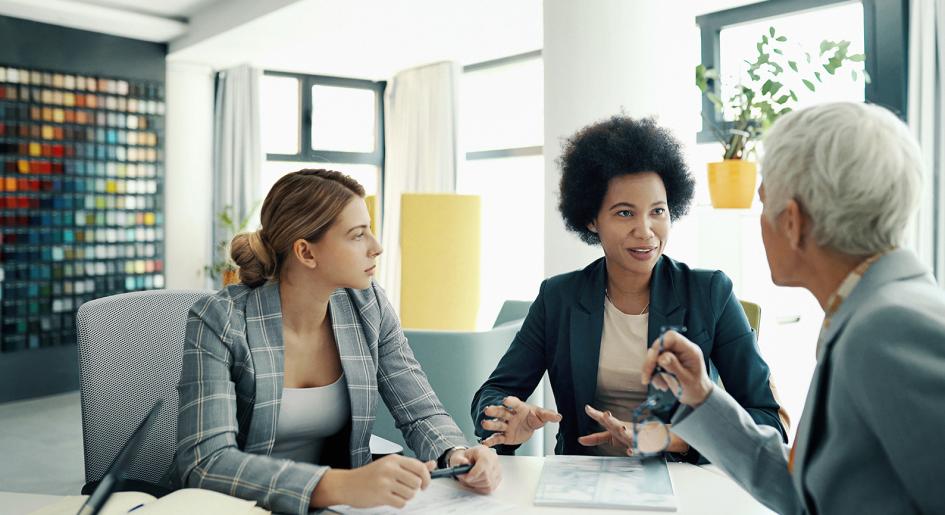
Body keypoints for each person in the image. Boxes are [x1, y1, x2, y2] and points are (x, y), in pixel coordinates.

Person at [640, 102, 945, 514]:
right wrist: (702, 397)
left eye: (764, 203)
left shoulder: (890, 328)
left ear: (793, 222)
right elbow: (810, 492)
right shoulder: (867, 312)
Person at [173, 169, 501, 515]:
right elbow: (207, 462)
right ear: (306, 252)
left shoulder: (368, 305)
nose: (376, 247)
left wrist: (456, 452)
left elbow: (420, 412)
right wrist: (341, 485)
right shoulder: (220, 320)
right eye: (358, 235)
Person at [471, 115, 785, 462]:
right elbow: (494, 393)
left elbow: (768, 422)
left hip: (680, 481)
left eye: (657, 211)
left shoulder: (709, 293)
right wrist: (505, 419)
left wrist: (669, 438)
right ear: (592, 219)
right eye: (624, 213)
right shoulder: (558, 298)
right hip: (583, 480)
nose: (646, 230)